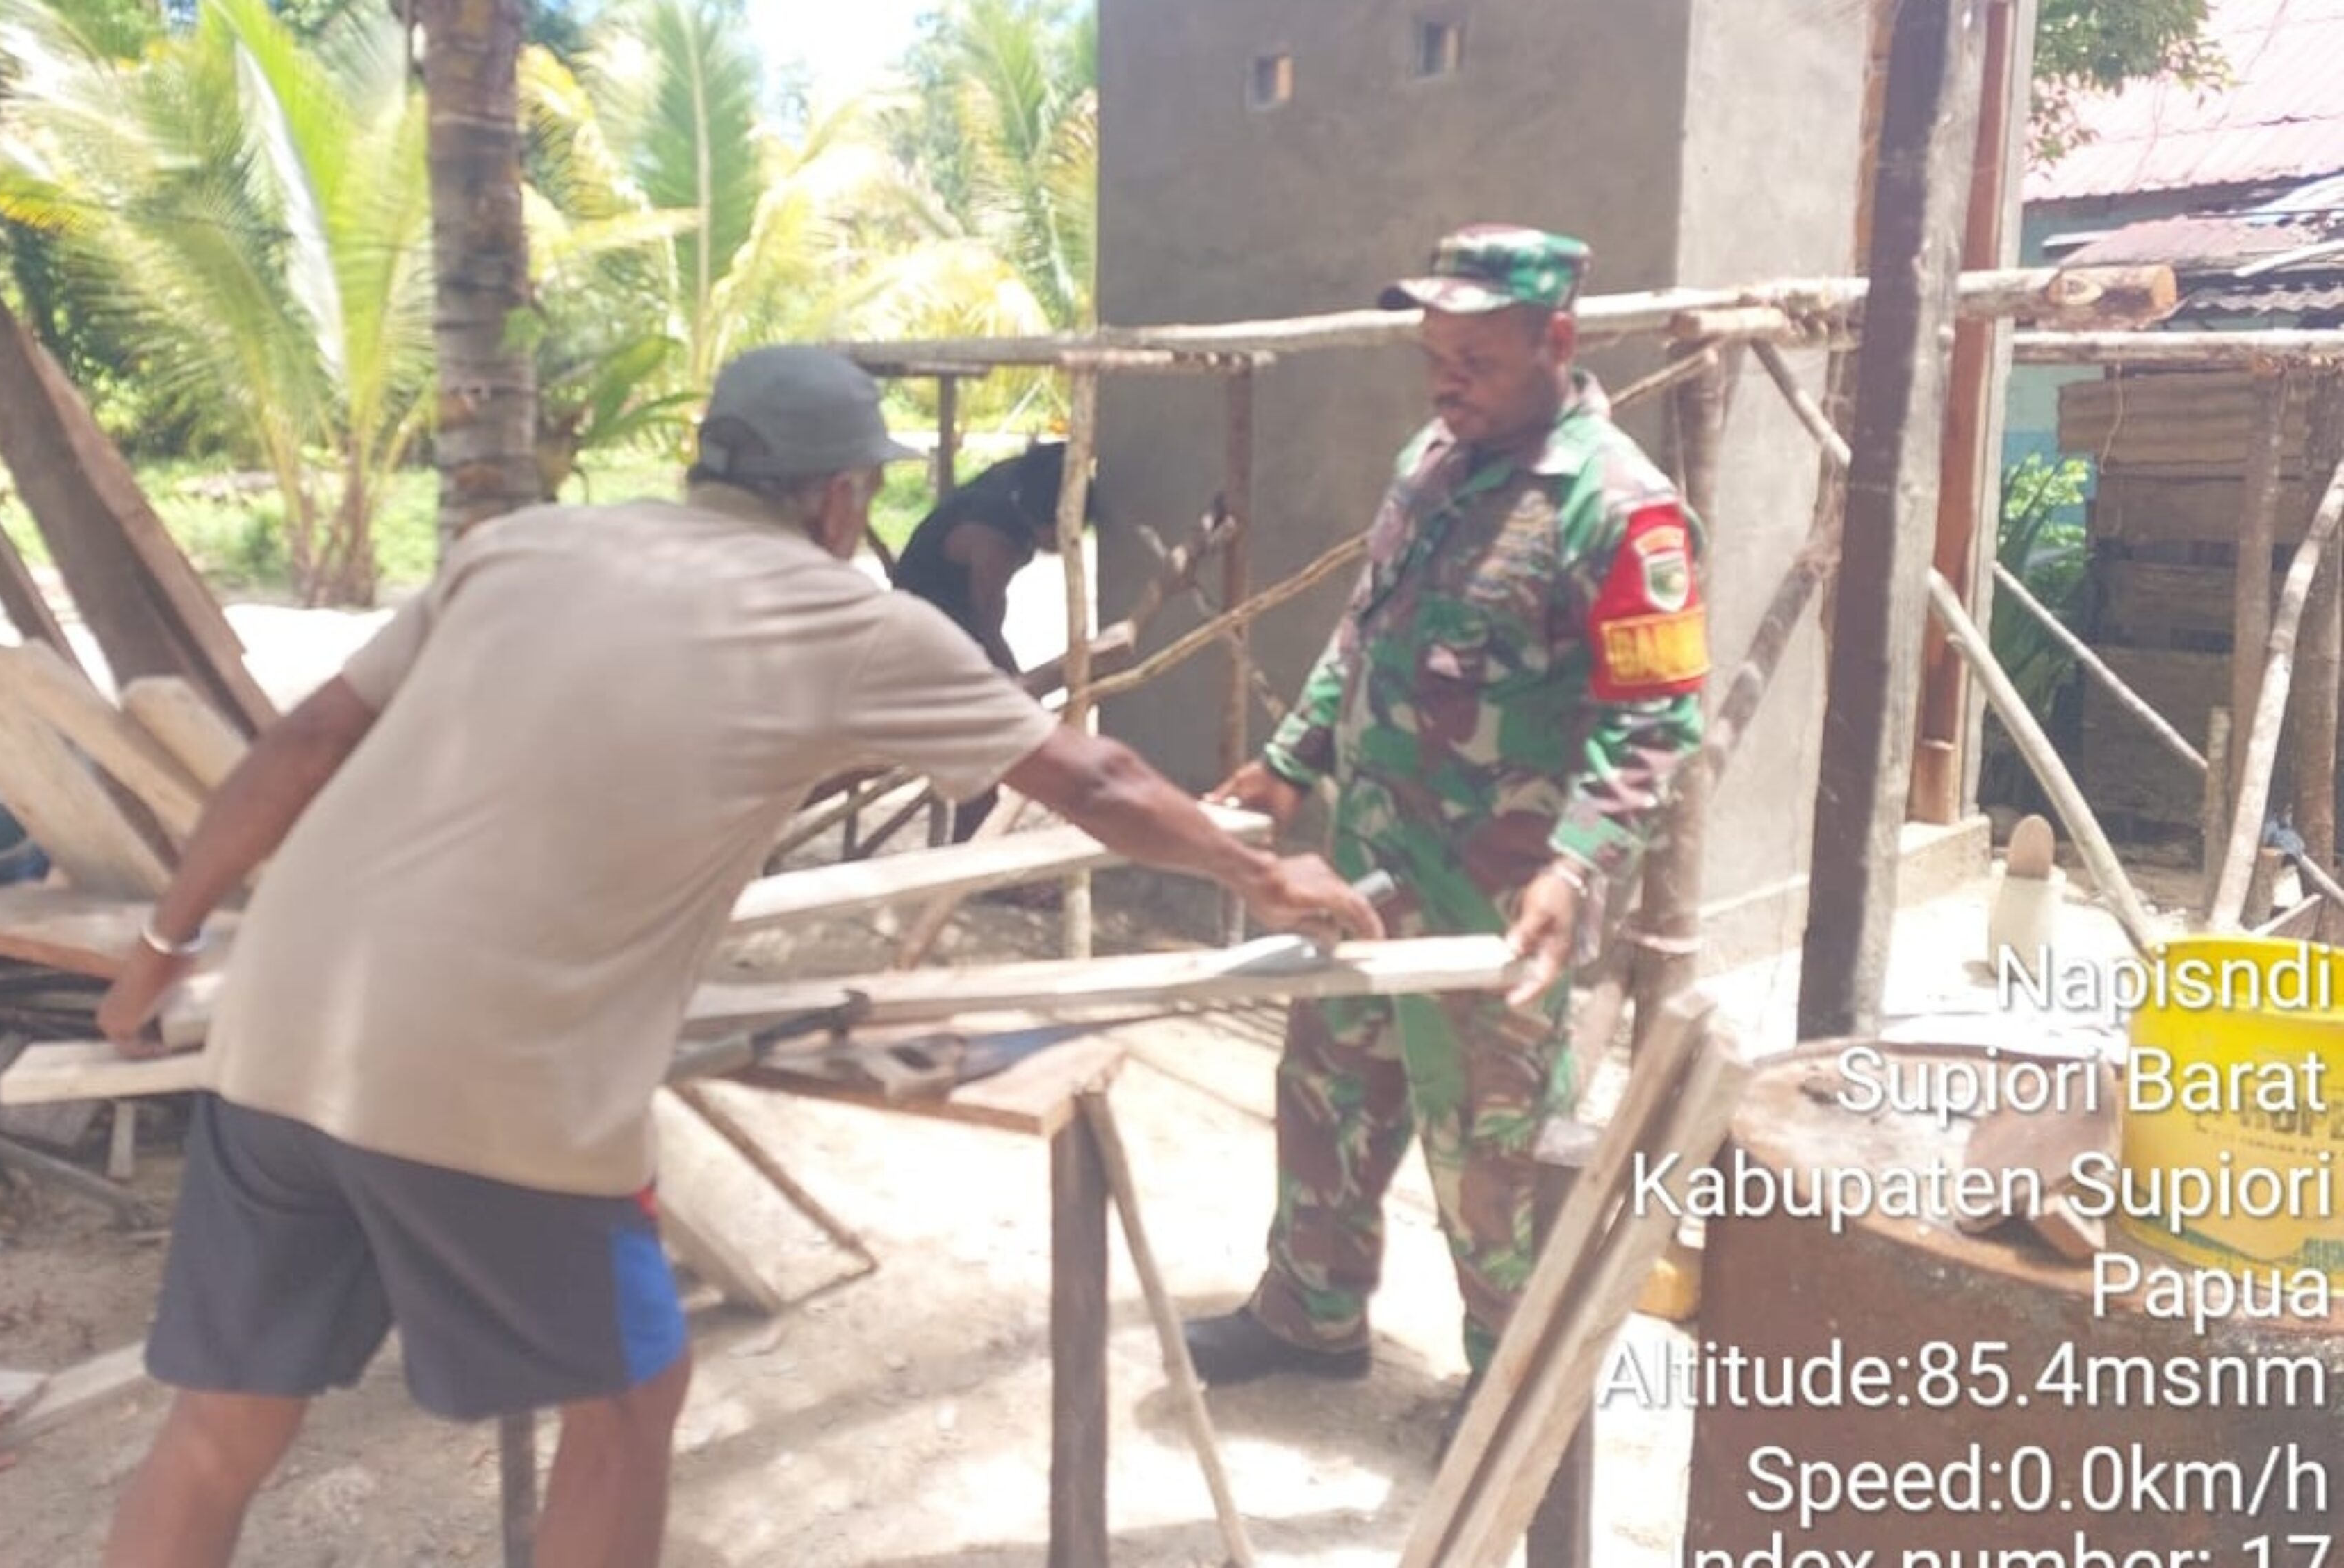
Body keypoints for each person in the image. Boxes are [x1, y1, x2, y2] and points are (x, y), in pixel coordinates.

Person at [88, 345, 1384, 1568]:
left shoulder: (522, 549)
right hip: (485, 1074)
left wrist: (161, 945)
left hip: (275, 1023)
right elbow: (1093, 772)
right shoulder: (852, 622)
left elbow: (305, 742)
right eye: (868, 492)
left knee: (226, 1420)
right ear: (837, 498)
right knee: (630, 1397)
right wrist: (1265, 870)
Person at [1182, 226, 1710, 1396]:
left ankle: (1515, 1391)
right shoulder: (1431, 457)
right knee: (1328, 1081)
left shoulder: (1621, 508)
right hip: (1373, 866)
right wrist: (1290, 755)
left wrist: (1573, 869)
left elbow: (1656, 719)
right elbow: (1365, 627)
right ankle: (1309, 1314)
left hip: (1498, 894)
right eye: (1435, 354)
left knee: (1497, 1148)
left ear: (1555, 341)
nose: (1446, 379)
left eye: (1475, 356)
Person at [887, 441, 1091, 840]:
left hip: (943, 616)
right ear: (1050, 522)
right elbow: (986, 625)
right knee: (979, 746)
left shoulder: (1020, 481)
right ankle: (973, 856)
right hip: (927, 628)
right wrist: (1020, 686)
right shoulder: (993, 540)